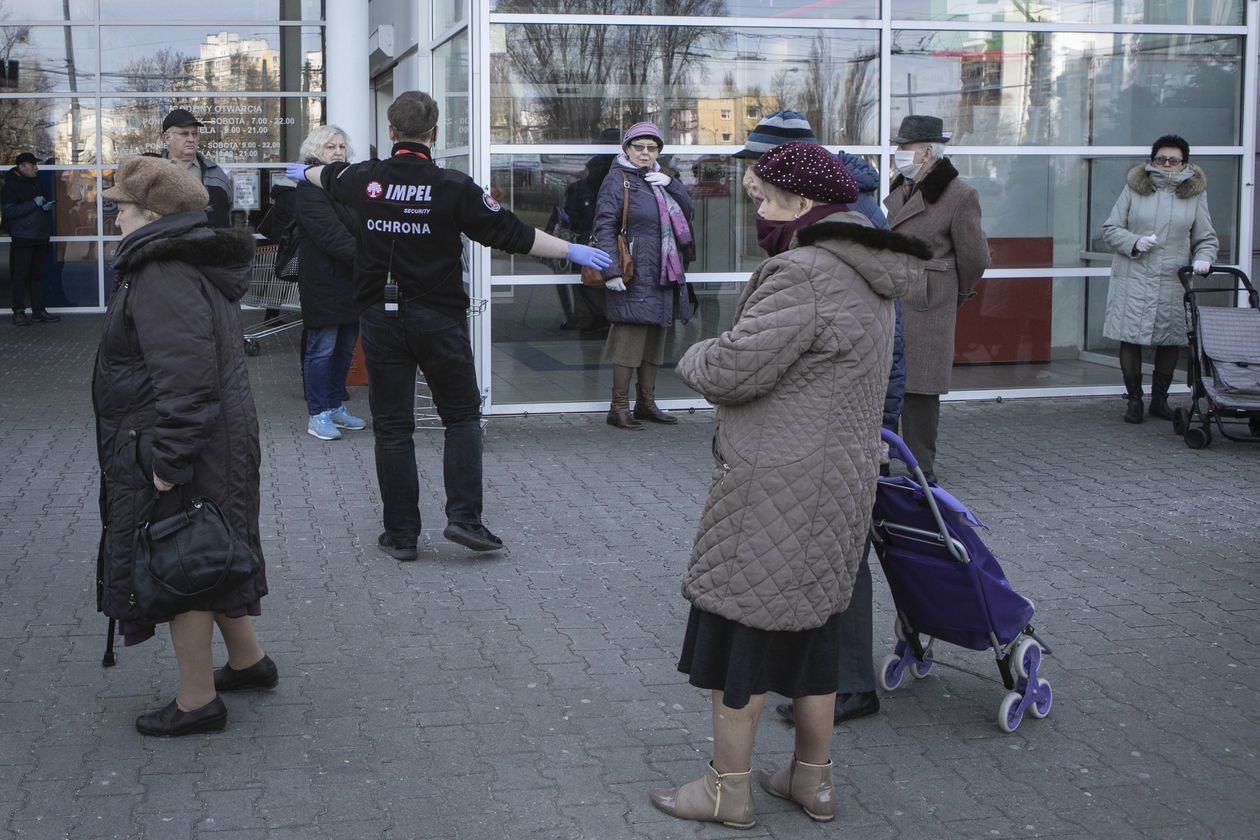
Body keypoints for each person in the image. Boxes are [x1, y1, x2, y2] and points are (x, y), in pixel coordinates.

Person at [649, 141, 928, 828]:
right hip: (838, 485)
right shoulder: (866, 265)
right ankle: (813, 781)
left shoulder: (804, 272)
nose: (757, 212)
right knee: (816, 638)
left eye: (763, 199)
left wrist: (695, 352)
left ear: (802, 205)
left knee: (738, 639)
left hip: (777, 487)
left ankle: (727, 790)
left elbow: (733, 369)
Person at [285, 91, 610, 559]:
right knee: (460, 417)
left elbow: (325, 174)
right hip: (438, 320)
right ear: (434, 134)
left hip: (380, 320)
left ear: (391, 133)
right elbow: (514, 233)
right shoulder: (454, 186)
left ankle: (400, 536)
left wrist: (306, 174)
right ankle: (465, 520)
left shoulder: (365, 179)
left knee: (393, 427)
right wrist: (573, 251)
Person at [94, 156, 275, 737]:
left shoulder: (162, 274)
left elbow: (188, 381)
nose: (114, 219)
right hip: (215, 440)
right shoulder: (180, 262)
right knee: (207, 547)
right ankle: (249, 663)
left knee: (183, 565)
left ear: (152, 215)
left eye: (120, 209)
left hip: (189, 445)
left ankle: (197, 702)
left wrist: (168, 463)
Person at [734, 111, 901, 729]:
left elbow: (884, 335)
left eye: (757, 166)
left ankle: (846, 684)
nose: (749, 182)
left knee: (842, 552)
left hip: (842, 424)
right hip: (833, 421)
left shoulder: (844, 224)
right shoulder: (820, 219)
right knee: (828, 550)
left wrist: (884, 422)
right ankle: (824, 695)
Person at [884, 114, 990, 483]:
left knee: (921, 388)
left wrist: (954, 292)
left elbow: (976, 257)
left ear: (927, 152)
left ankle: (921, 468)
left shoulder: (960, 194)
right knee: (890, 379)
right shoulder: (902, 188)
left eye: (904, 148)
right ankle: (883, 455)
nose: (898, 154)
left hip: (929, 299)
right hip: (896, 294)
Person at [1102, 134, 1218, 424]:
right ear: (1152, 161)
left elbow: (1206, 238)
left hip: (1171, 278)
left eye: (1173, 160)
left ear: (1184, 164)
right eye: (1160, 159)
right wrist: (1134, 241)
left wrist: (1204, 258)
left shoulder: (1195, 194)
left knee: (1170, 339)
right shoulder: (1135, 188)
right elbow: (1110, 228)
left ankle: (1160, 400)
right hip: (1134, 276)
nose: (1166, 165)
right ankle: (1134, 401)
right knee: (1131, 337)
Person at [591, 121, 695, 430]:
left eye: (652, 148)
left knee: (654, 341)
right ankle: (618, 407)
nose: (645, 153)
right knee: (628, 339)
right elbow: (604, 227)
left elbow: (687, 214)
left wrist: (672, 184)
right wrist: (610, 271)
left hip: (662, 272)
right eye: (639, 147)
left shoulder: (662, 179)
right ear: (626, 148)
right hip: (632, 273)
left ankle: (646, 404)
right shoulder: (616, 180)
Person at [293, 125, 366, 441]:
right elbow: (331, 236)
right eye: (329, 147)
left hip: (353, 281)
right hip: (323, 282)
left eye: (341, 146)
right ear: (315, 152)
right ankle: (318, 413)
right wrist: (371, 258)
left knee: (345, 349)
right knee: (322, 349)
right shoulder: (308, 188)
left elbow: (365, 227)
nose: (337, 152)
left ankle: (335, 406)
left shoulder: (349, 186)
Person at [2, 152, 60, 325]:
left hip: (39, 236)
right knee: (20, 276)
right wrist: (34, 203)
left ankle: (38, 310)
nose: (36, 167)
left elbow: (36, 206)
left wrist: (44, 207)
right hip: (23, 238)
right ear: (21, 167)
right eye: (32, 164)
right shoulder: (10, 187)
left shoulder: (35, 181)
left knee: (37, 276)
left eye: (36, 164)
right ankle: (18, 312)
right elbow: (9, 211)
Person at [160, 108, 234, 227]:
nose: (191, 139)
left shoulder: (216, 174)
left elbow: (226, 216)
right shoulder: (153, 173)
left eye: (194, 134)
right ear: (167, 138)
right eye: (184, 134)